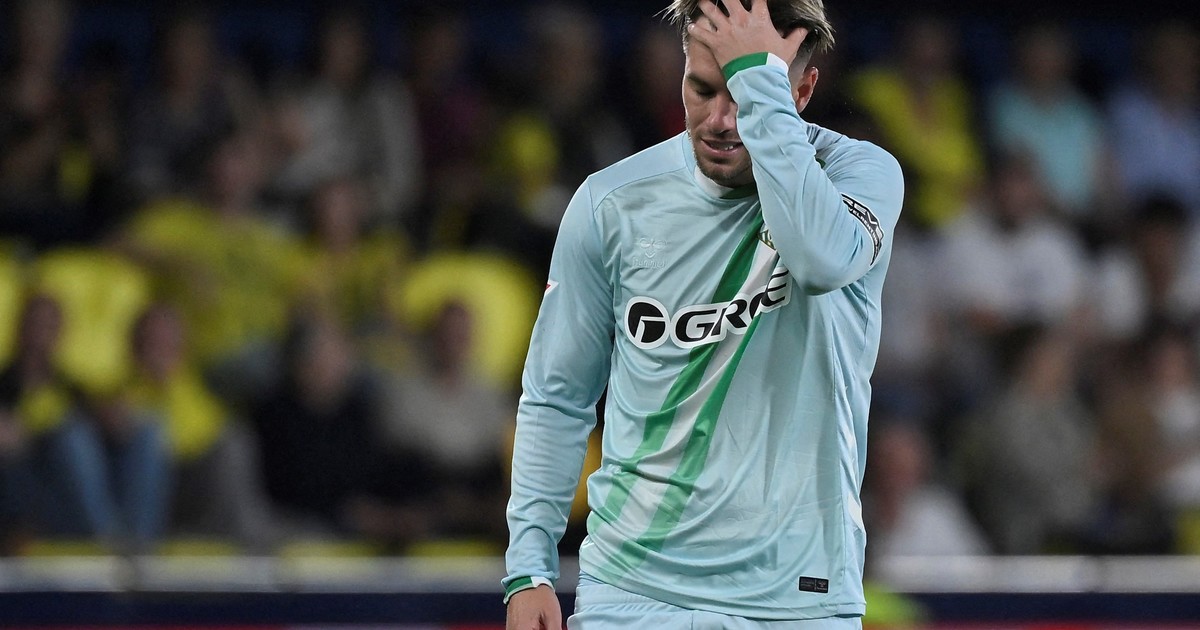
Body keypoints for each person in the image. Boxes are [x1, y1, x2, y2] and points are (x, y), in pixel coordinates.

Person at [503, 1, 903, 628]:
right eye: (702, 88)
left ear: (801, 91)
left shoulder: (858, 176)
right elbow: (558, 397)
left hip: (798, 602)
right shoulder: (612, 203)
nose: (719, 120)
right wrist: (529, 565)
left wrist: (759, 83)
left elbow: (820, 259)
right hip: (633, 595)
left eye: (744, 93)